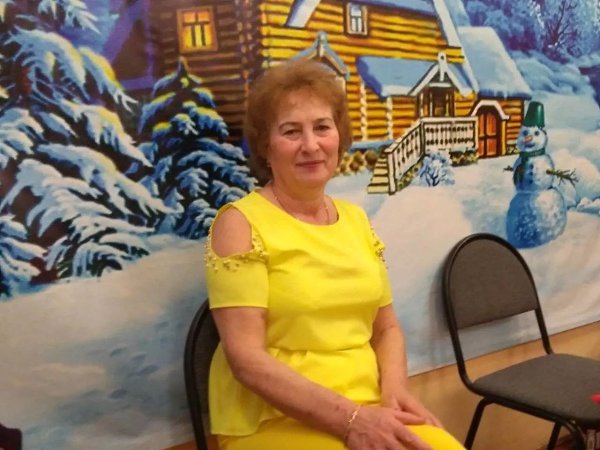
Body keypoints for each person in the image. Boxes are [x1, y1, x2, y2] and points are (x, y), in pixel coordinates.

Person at [205, 59, 465, 450]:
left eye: (322, 127)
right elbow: (246, 360)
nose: (311, 145)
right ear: (265, 146)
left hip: (368, 405)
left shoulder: (356, 220)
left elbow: (386, 329)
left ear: (339, 137)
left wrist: (394, 392)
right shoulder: (239, 224)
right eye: (291, 131)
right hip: (272, 419)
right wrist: (351, 421)